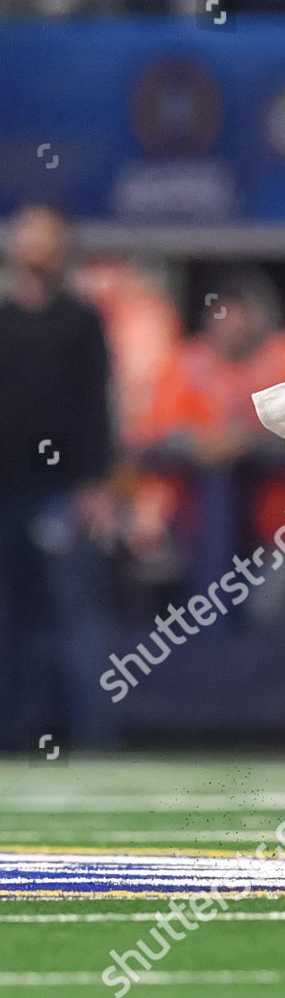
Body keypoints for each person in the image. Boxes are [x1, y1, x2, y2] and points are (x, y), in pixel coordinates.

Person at [0, 206, 118, 750]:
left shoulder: (80, 319)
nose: (36, 253)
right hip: (7, 489)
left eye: (46, 242)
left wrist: (95, 484)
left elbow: (96, 407)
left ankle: (94, 735)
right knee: (10, 615)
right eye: (28, 241)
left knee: (76, 613)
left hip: (64, 489)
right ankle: (13, 731)